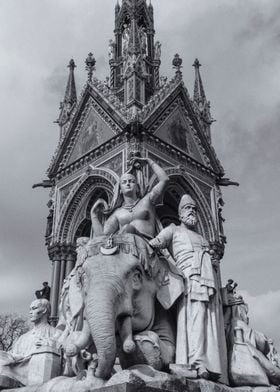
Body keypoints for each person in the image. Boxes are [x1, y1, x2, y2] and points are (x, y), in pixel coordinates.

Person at [149, 194, 228, 383]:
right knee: (195, 320)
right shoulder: (173, 230)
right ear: (179, 213)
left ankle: (213, 366)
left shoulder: (202, 238)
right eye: (187, 208)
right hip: (190, 281)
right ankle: (195, 362)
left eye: (194, 208)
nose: (191, 211)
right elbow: (154, 244)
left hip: (209, 282)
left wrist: (213, 261)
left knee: (210, 322)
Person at [91, 157, 169, 240]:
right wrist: (93, 215)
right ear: (120, 190)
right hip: (125, 245)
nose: (128, 183)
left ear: (137, 187)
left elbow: (164, 180)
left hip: (146, 243)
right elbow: (102, 238)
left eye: (131, 181)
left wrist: (149, 161)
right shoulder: (117, 213)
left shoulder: (147, 200)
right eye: (124, 182)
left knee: (127, 228)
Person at [0, 299, 60, 387]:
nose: (30, 312)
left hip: (34, 370)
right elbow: (13, 354)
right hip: (16, 367)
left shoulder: (56, 333)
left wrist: (51, 344)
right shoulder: (23, 337)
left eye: (34, 308)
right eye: (30, 310)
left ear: (44, 310)